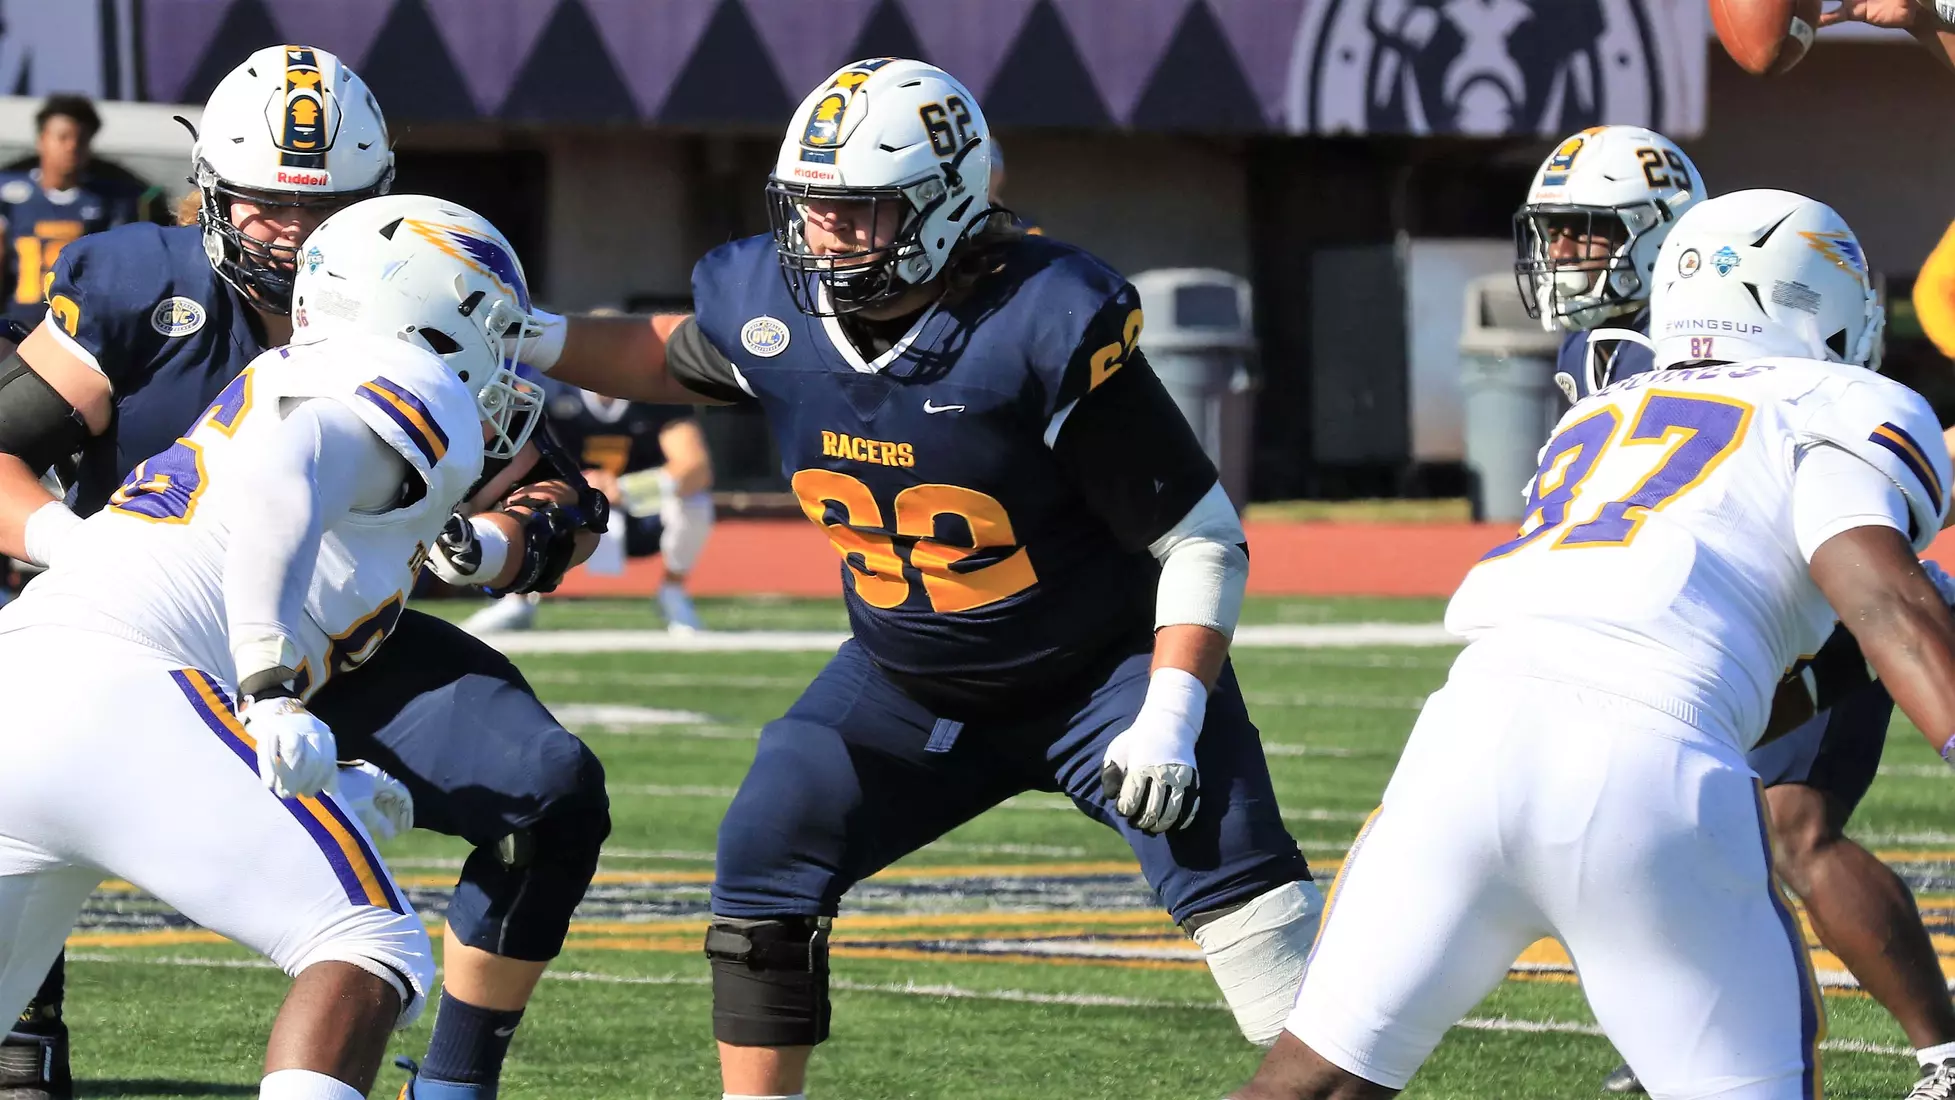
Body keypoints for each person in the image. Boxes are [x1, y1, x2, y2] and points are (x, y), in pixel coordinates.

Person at [523, 57, 1321, 1100]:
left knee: (1266, 941)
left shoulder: (1042, 317)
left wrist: (1171, 710)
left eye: (859, 211)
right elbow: (679, 352)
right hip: (906, 677)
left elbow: (1202, 537)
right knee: (767, 839)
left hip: (1102, 677)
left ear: (945, 204)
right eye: (812, 208)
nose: (824, 234)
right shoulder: (772, 300)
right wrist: (524, 333)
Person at [1232, 189, 1955, 1100]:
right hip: (1646, 766)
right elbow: (1882, 600)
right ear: (1828, 308)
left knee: (1307, 1085)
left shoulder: (1601, 412)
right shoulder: (1836, 402)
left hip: (1461, 747)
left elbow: (1673, 631)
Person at [0, 46, 611, 1100]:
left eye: (324, 206)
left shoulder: (405, 302)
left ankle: (456, 1081)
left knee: (548, 789)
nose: (293, 232)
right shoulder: (373, 355)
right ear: (209, 196)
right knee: (363, 939)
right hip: (174, 652)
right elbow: (292, 460)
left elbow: (551, 496)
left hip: (220, 648)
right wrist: (78, 544)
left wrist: (495, 544)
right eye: (266, 206)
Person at [1517, 128, 1955, 1098]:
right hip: (1699, 626)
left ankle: (1930, 1047)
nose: (1565, 256)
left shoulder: (1741, 352)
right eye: (1557, 235)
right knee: (1695, 833)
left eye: (1589, 233)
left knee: (1785, 831)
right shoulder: (1601, 348)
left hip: (1807, 606)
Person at [463, 372, 715, 634]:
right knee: (509, 487)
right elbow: (518, 454)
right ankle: (516, 598)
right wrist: (572, 486)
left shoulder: (657, 392)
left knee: (695, 501)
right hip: (568, 506)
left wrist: (624, 488)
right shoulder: (550, 388)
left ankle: (673, 591)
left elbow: (695, 468)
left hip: (636, 507)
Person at [0, 95, 163, 329]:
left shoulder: (111, 202)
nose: (71, 146)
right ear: (41, 140)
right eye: (62, 137)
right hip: (15, 324)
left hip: (76, 327)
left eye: (81, 139)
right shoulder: (8, 194)